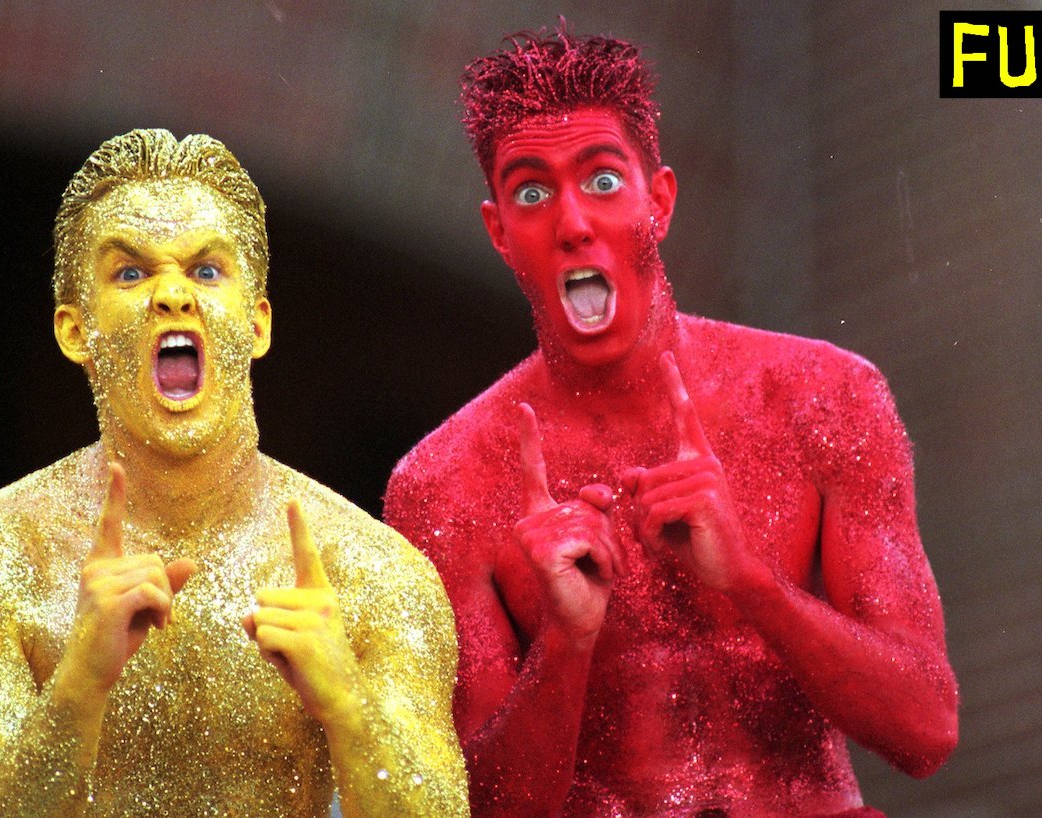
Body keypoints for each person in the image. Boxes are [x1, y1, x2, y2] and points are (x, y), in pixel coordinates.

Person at [383, 28, 958, 817]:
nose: (573, 222)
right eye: (531, 193)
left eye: (604, 180)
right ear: (499, 236)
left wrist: (751, 582)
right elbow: (480, 809)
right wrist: (565, 642)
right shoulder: (446, 483)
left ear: (660, 202)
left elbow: (926, 727)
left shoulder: (823, 397)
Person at [0, 129, 467, 817]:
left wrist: (345, 702)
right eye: (131, 272)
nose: (173, 295)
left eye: (205, 271)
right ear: (75, 331)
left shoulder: (376, 575)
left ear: (257, 324)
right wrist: (79, 682)